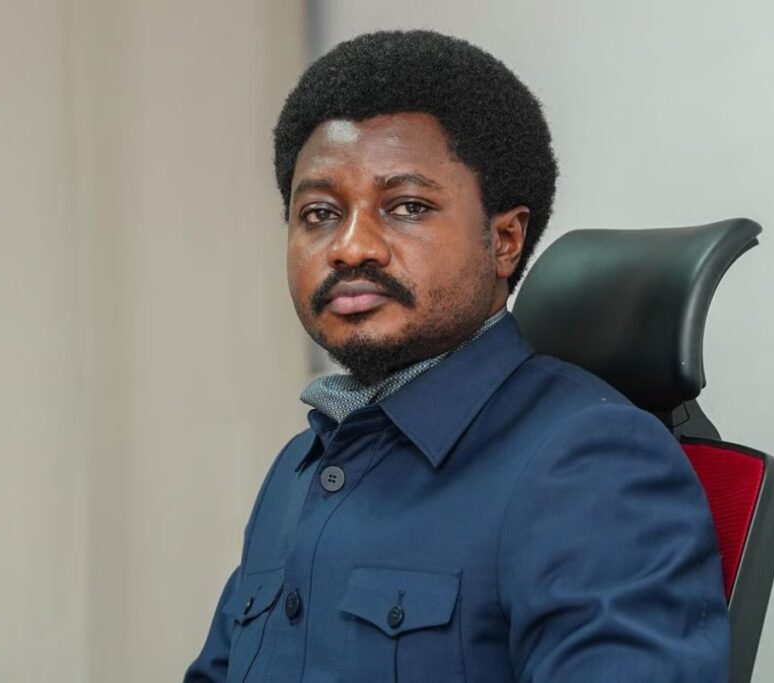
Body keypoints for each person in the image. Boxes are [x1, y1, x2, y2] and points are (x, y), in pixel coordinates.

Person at [184, 29, 728, 682]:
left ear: (504, 240)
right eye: (320, 213)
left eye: (407, 207)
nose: (350, 247)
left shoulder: (592, 464)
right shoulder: (300, 467)